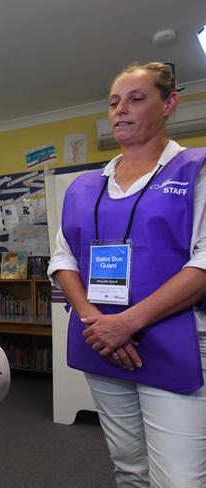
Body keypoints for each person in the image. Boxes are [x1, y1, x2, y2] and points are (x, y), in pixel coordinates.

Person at [49, 62, 206, 487]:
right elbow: (63, 260)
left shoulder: (195, 169)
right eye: (114, 102)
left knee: (178, 480)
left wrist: (126, 323)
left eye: (136, 99)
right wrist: (97, 323)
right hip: (100, 341)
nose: (121, 110)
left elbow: (204, 260)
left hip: (177, 340)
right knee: (129, 469)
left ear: (169, 103)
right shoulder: (84, 186)